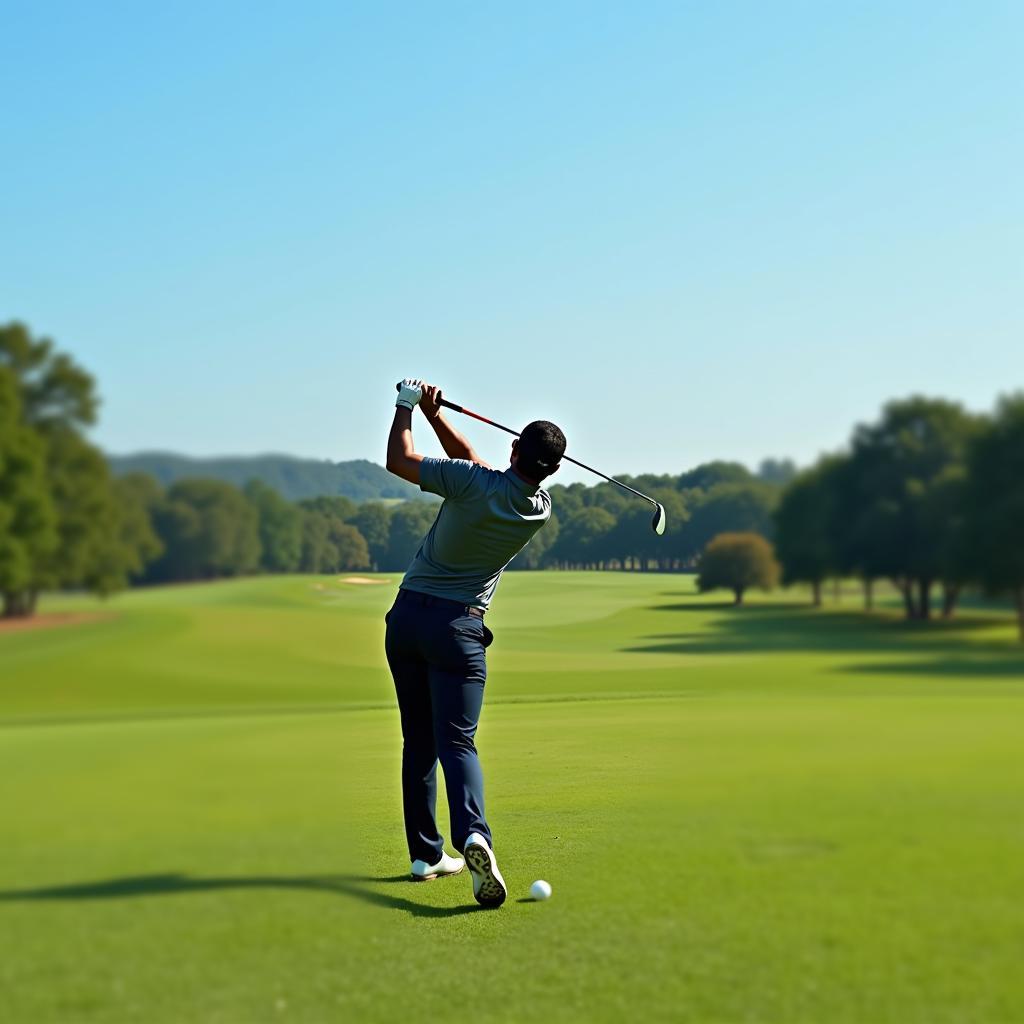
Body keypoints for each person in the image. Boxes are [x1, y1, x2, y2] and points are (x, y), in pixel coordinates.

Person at [383, 378, 565, 907]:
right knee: (457, 741)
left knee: (418, 740)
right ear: (550, 470)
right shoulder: (538, 508)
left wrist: (406, 407)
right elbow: (476, 466)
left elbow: (400, 459)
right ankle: (473, 836)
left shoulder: (469, 482)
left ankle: (425, 853)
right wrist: (439, 417)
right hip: (459, 630)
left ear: (514, 451)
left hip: (408, 617)